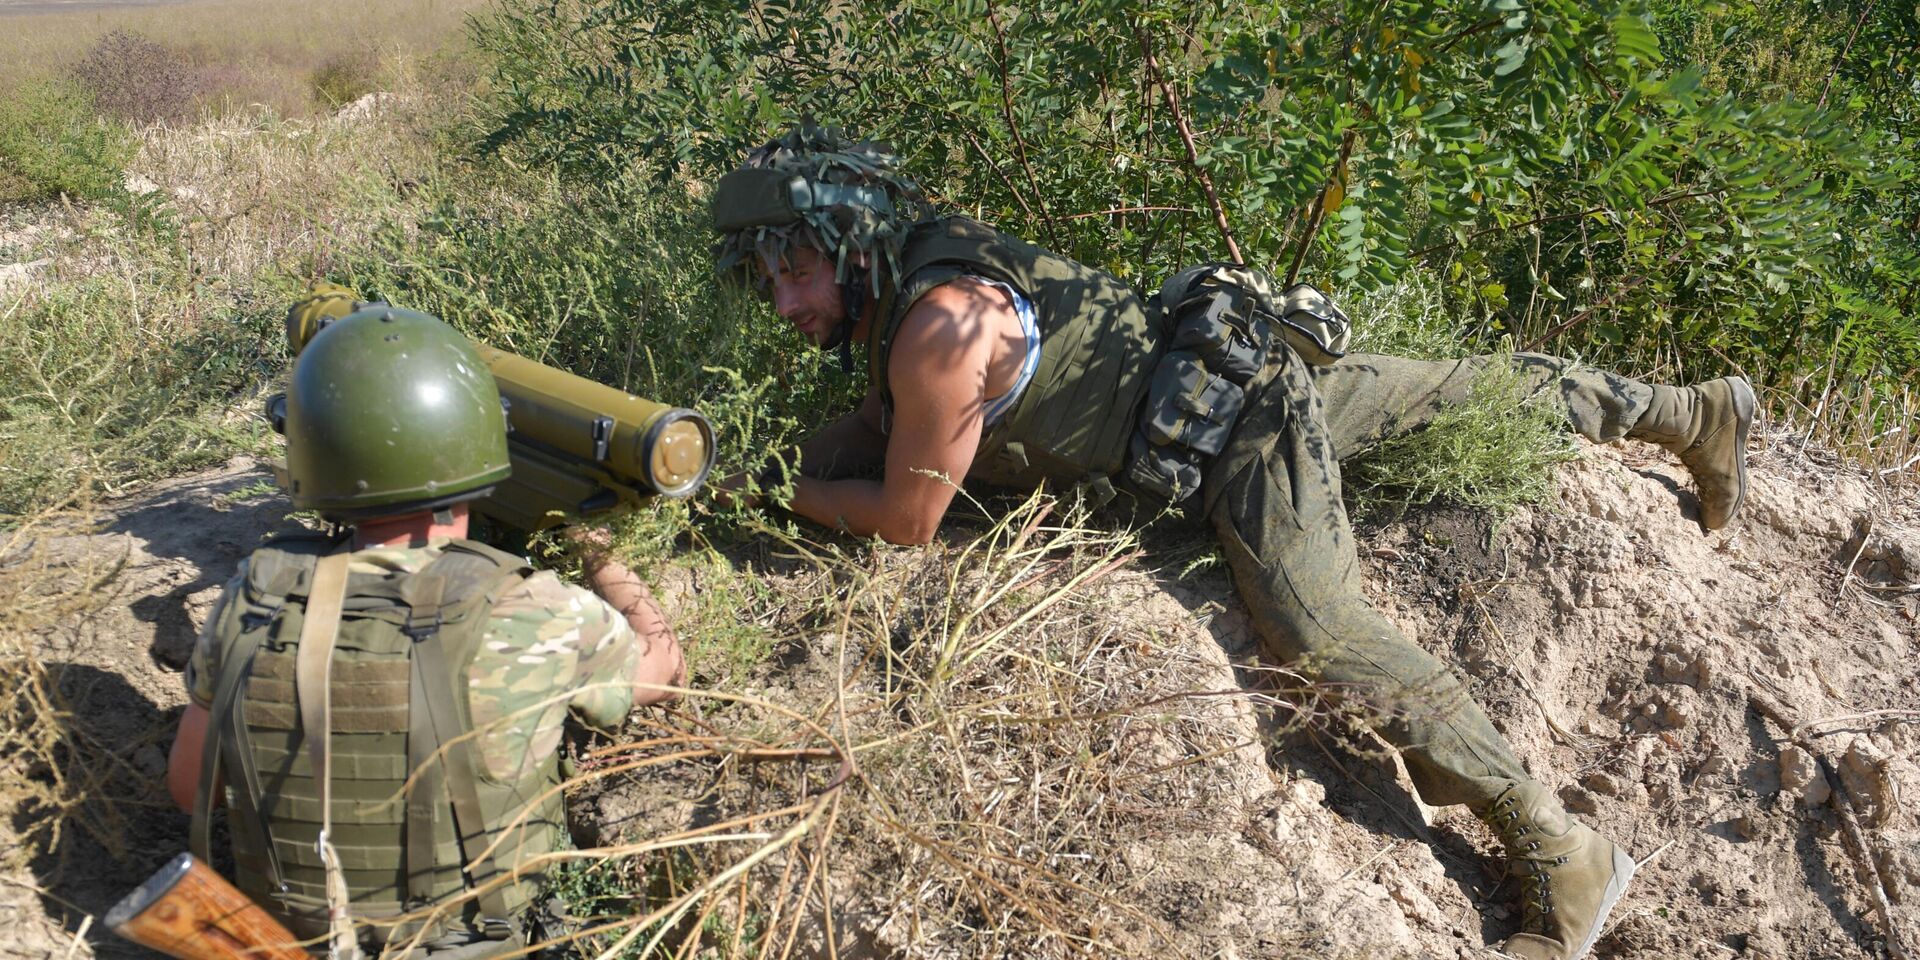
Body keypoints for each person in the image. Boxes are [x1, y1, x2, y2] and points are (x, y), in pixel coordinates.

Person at [709, 125, 1755, 960]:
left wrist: (776, 490)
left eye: (798, 269)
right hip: (1208, 380)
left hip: (1233, 433)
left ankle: (1562, 850)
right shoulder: (929, 256)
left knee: (1321, 630)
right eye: (770, 283)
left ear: (849, 237)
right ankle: (1688, 411)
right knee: (1448, 393)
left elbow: (908, 522)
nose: (789, 302)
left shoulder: (937, 331)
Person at [164, 303, 684, 957]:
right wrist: (600, 551)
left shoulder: (253, 600)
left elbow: (191, 792)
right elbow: (662, 671)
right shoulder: (532, 611)